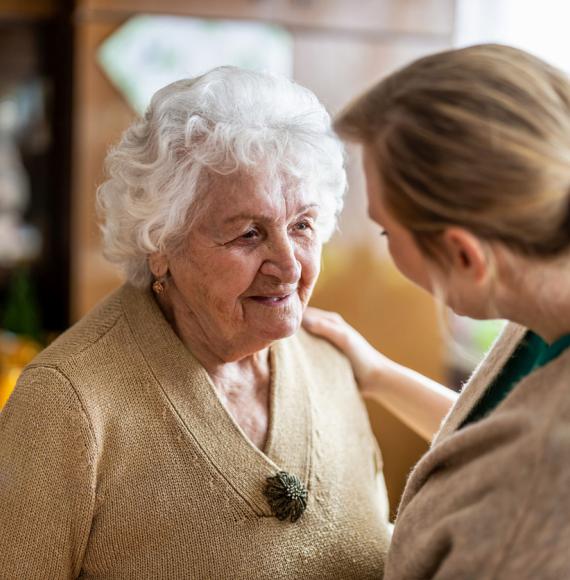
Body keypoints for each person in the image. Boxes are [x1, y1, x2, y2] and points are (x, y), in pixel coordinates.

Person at [0, 67, 391, 578]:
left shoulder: (332, 363)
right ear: (160, 245)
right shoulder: (68, 402)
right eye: (249, 234)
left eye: (302, 226)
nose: (290, 265)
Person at [304, 44, 570, 579]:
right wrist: (377, 374)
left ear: (464, 255)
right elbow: (492, 440)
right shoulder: (542, 297)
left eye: (385, 231)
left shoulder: (539, 490)